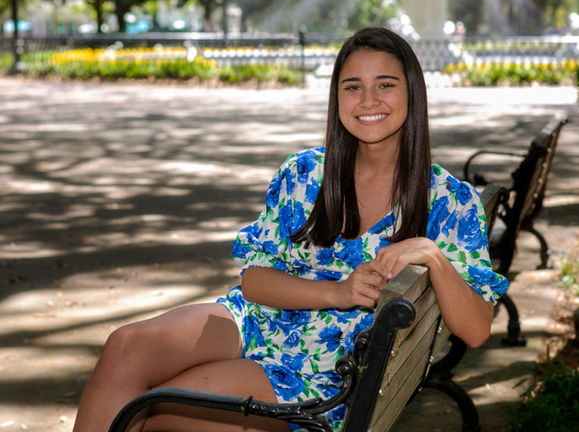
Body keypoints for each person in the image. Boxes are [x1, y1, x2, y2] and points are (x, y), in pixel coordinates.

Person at [72, 27, 509, 432]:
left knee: (154, 413)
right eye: (352, 86)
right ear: (336, 97)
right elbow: (254, 280)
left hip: (319, 371)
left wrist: (432, 255)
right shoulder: (304, 173)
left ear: (413, 92)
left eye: (386, 85)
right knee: (125, 346)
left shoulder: (450, 202)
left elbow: (475, 329)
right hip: (258, 321)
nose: (368, 100)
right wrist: (337, 292)